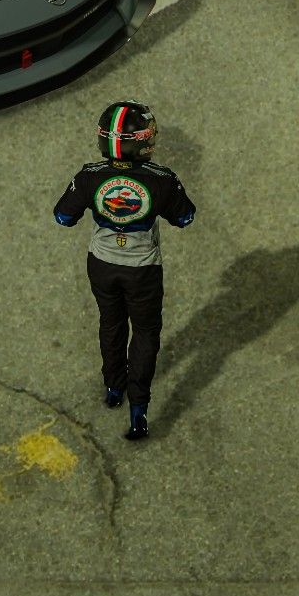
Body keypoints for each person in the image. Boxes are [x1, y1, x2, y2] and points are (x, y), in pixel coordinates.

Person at [53, 101, 196, 440]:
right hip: (142, 269)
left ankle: (113, 389)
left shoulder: (89, 176)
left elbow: (63, 217)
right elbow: (185, 217)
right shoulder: (162, 180)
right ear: (141, 143)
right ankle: (139, 411)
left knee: (110, 323)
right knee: (145, 332)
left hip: (101, 264)